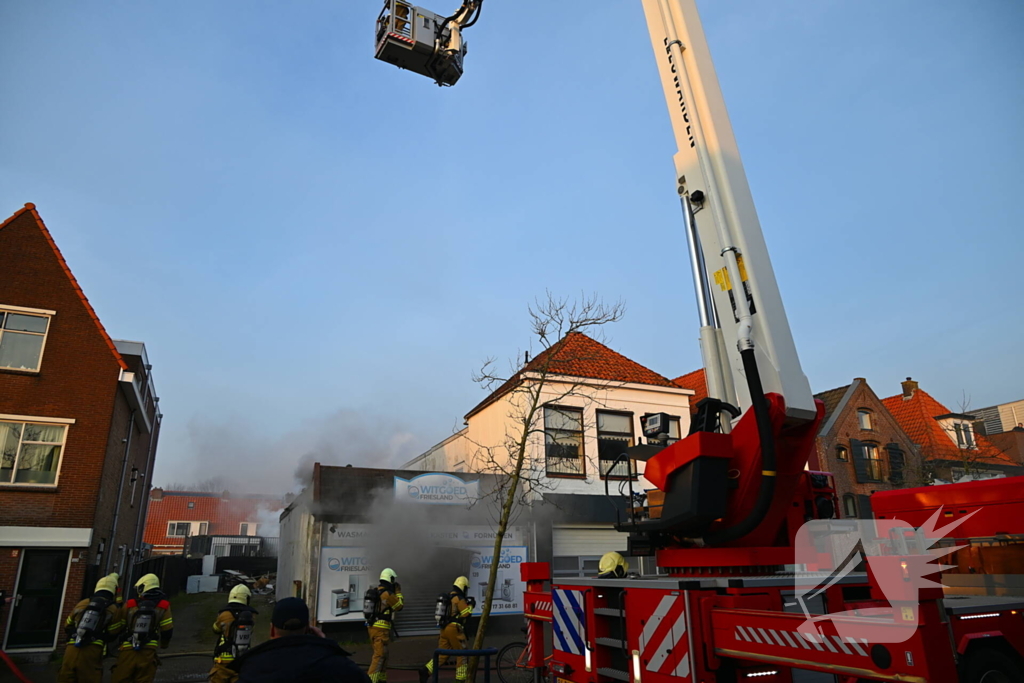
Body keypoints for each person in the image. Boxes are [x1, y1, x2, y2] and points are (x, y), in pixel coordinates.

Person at [229, 596, 368, 683]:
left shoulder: (253, 668)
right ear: (309, 629)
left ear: (272, 630)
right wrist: (325, 645)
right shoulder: (336, 665)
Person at [58, 573, 123, 683]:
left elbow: (67, 625)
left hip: (72, 648)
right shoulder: (113, 609)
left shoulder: (82, 603)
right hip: (92, 651)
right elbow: (113, 633)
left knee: (66, 677)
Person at [111, 573, 173, 683]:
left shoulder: (130, 604)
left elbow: (119, 626)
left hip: (127, 649)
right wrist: (164, 645)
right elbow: (167, 629)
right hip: (148, 650)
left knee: (121, 678)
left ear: (142, 587)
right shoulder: (164, 605)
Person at [418, 576, 473, 683]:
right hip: (454, 629)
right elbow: (466, 613)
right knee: (463, 653)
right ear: (463, 587)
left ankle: (426, 670)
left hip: (444, 629)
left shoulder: (449, 596)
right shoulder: (459, 598)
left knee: (442, 655)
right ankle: (460, 679)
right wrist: (471, 605)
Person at [209, 584, 259, 683]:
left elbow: (216, 629)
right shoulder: (251, 615)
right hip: (242, 658)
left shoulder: (224, 614)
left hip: (223, 660)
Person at [366, 568, 404, 683]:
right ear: (390, 579)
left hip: (373, 627)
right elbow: (399, 606)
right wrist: (398, 592)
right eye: (393, 579)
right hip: (380, 630)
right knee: (379, 656)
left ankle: (381, 680)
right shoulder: (387, 594)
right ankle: (369, 680)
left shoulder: (377, 591)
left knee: (384, 655)